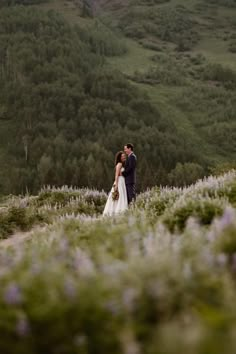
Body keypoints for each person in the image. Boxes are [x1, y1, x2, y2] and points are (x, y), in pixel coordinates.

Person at [103, 151, 128, 216]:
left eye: (124, 156)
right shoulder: (119, 164)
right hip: (119, 181)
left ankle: (120, 211)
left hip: (122, 181)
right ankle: (118, 212)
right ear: (119, 158)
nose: (123, 157)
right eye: (122, 156)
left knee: (121, 196)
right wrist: (116, 185)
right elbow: (116, 175)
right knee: (119, 196)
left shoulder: (123, 164)